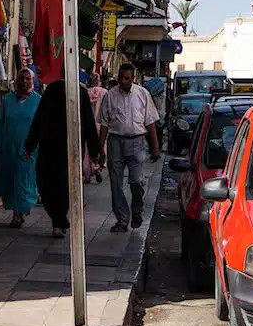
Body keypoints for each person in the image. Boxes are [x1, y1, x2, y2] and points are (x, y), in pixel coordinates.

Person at [25, 77, 101, 238]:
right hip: (49, 146)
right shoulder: (51, 90)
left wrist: (94, 150)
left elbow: (88, 120)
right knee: (45, 183)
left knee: (66, 185)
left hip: (71, 148)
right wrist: (30, 143)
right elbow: (39, 118)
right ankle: (58, 218)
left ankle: (58, 222)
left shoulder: (79, 92)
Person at [99, 63, 160, 233]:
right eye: (120, 78)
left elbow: (150, 123)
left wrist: (155, 147)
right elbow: (104, 124)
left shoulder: (142, 94)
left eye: (127, 78)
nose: (123, 81)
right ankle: (122, 220)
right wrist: (100, 149)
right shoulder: (110, 96)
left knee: (136, 181)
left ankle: (137, 209)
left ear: (133, 78)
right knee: (116, 184)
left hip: (137, 142)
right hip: (115, 142)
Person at [0, 68, 41, 228]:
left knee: (24, 179)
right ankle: (17, 210)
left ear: (32, 81)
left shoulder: (38, 101)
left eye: (27, 79)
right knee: (10, 180)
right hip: (9, 148)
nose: (24, 81)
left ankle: (19, 213)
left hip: (29, 149)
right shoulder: (7, 100)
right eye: (21, 78)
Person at [86, 73, 107, 178]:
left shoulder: (86, 92)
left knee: (89, 148)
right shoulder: (104, 92)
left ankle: (92, 168)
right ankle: (101, 163)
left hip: (89, 126)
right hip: (101, 125)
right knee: (102, 146)